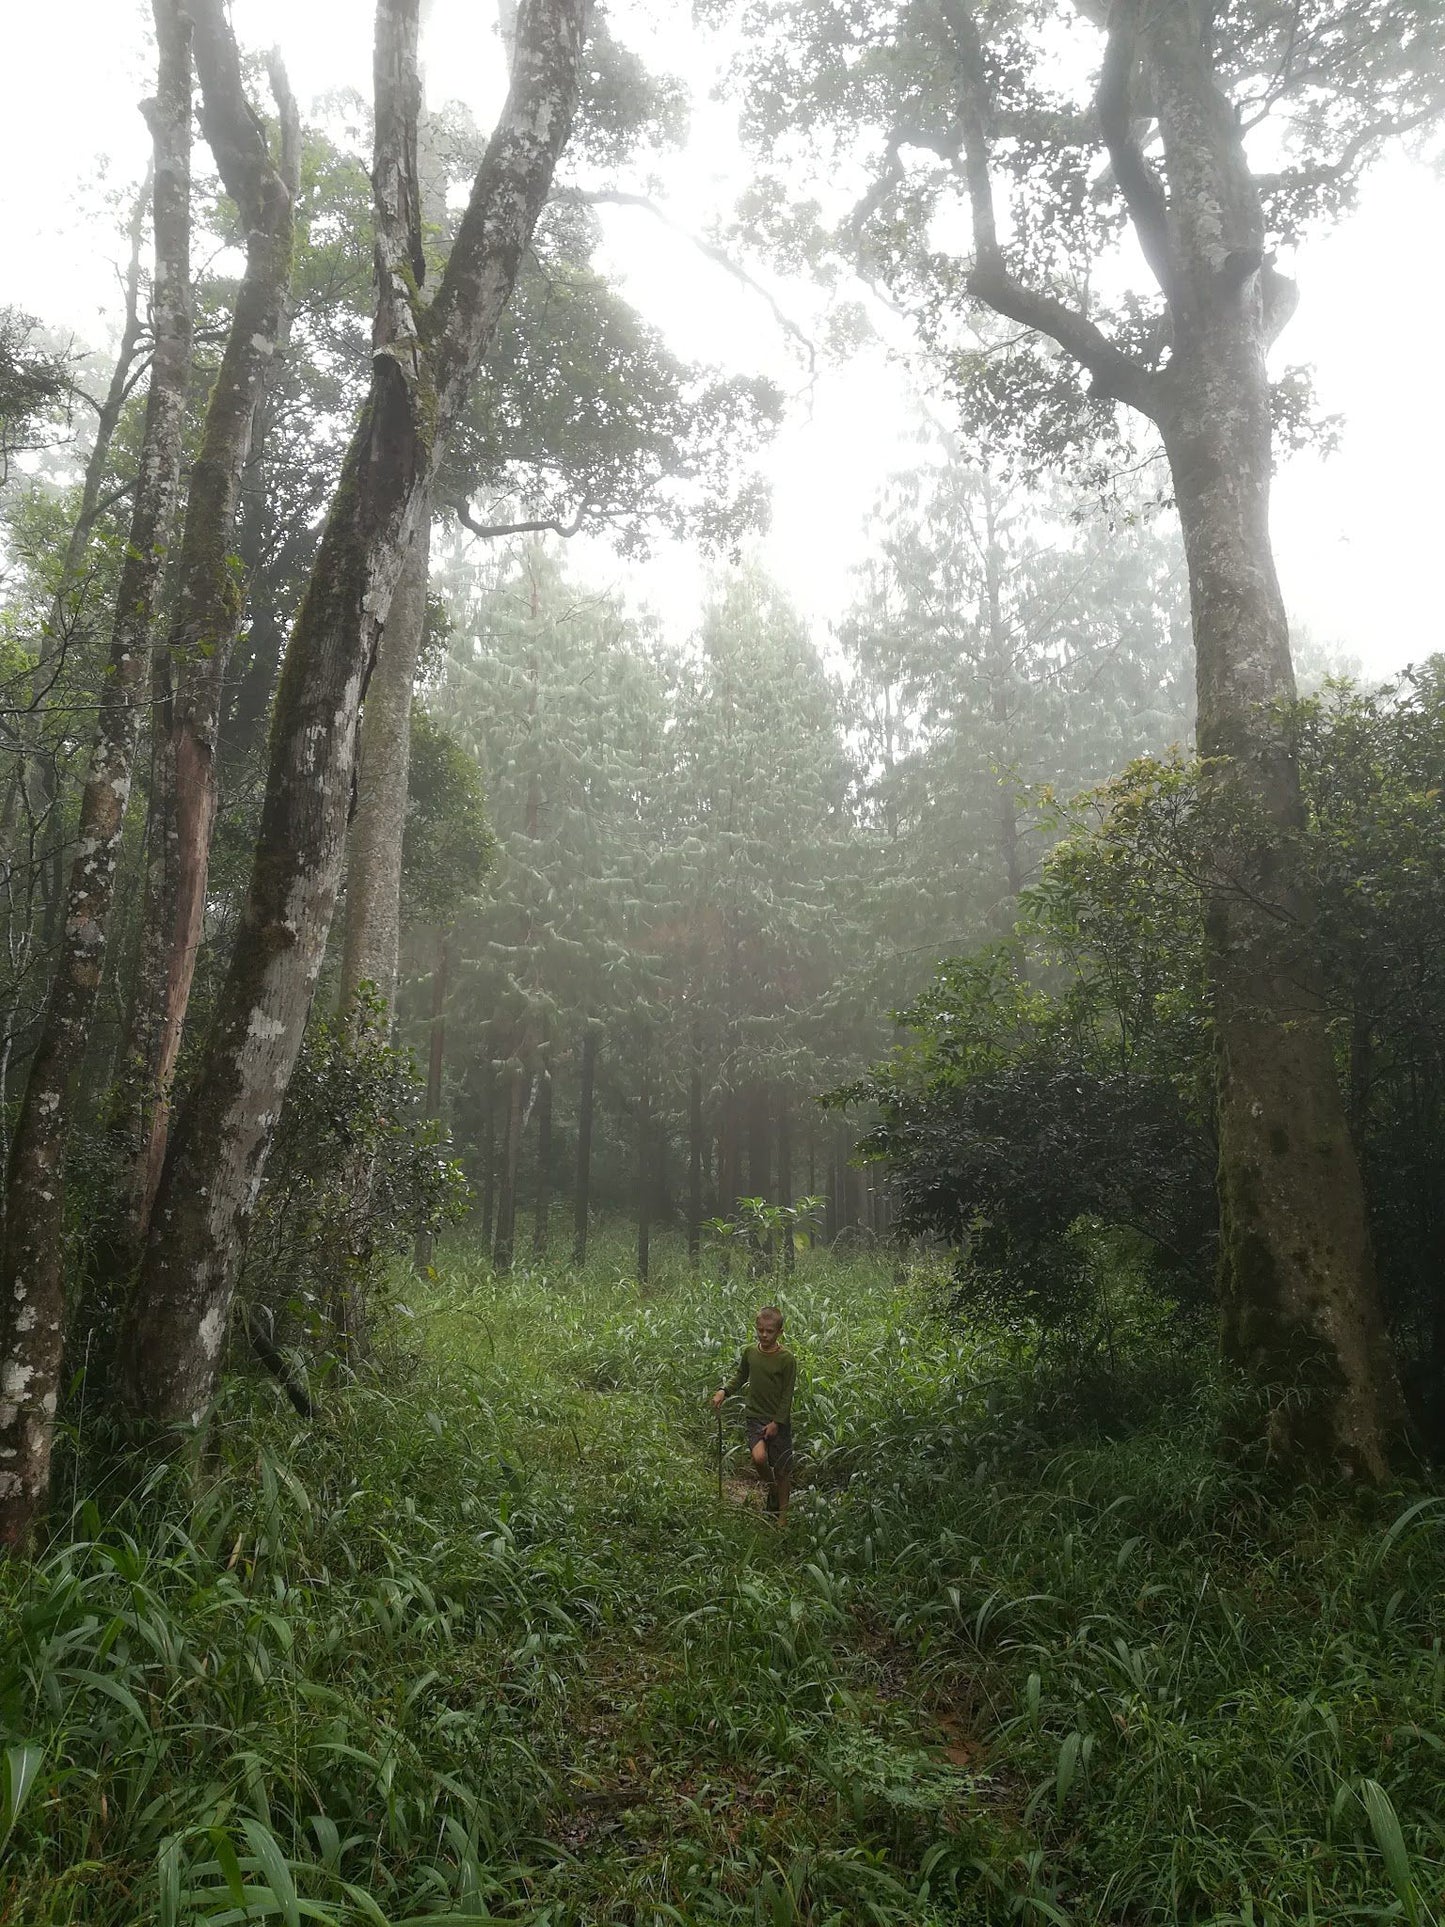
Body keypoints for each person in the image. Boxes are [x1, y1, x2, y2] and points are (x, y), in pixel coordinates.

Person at [712, 1306, 796, 1524]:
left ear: (780, 1332)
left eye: (769, 1331)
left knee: (781, 1468)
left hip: (778, 1420)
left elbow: (787, 1395)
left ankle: (783, 1516)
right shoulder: (750, 1352)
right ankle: (774, 1491)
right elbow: (741, 1376)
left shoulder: (786, 1359)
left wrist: (777, 1422)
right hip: (755, 1416)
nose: (764, 1335)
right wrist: (724, 1391)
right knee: (759, 1458)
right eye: (760, 1330)